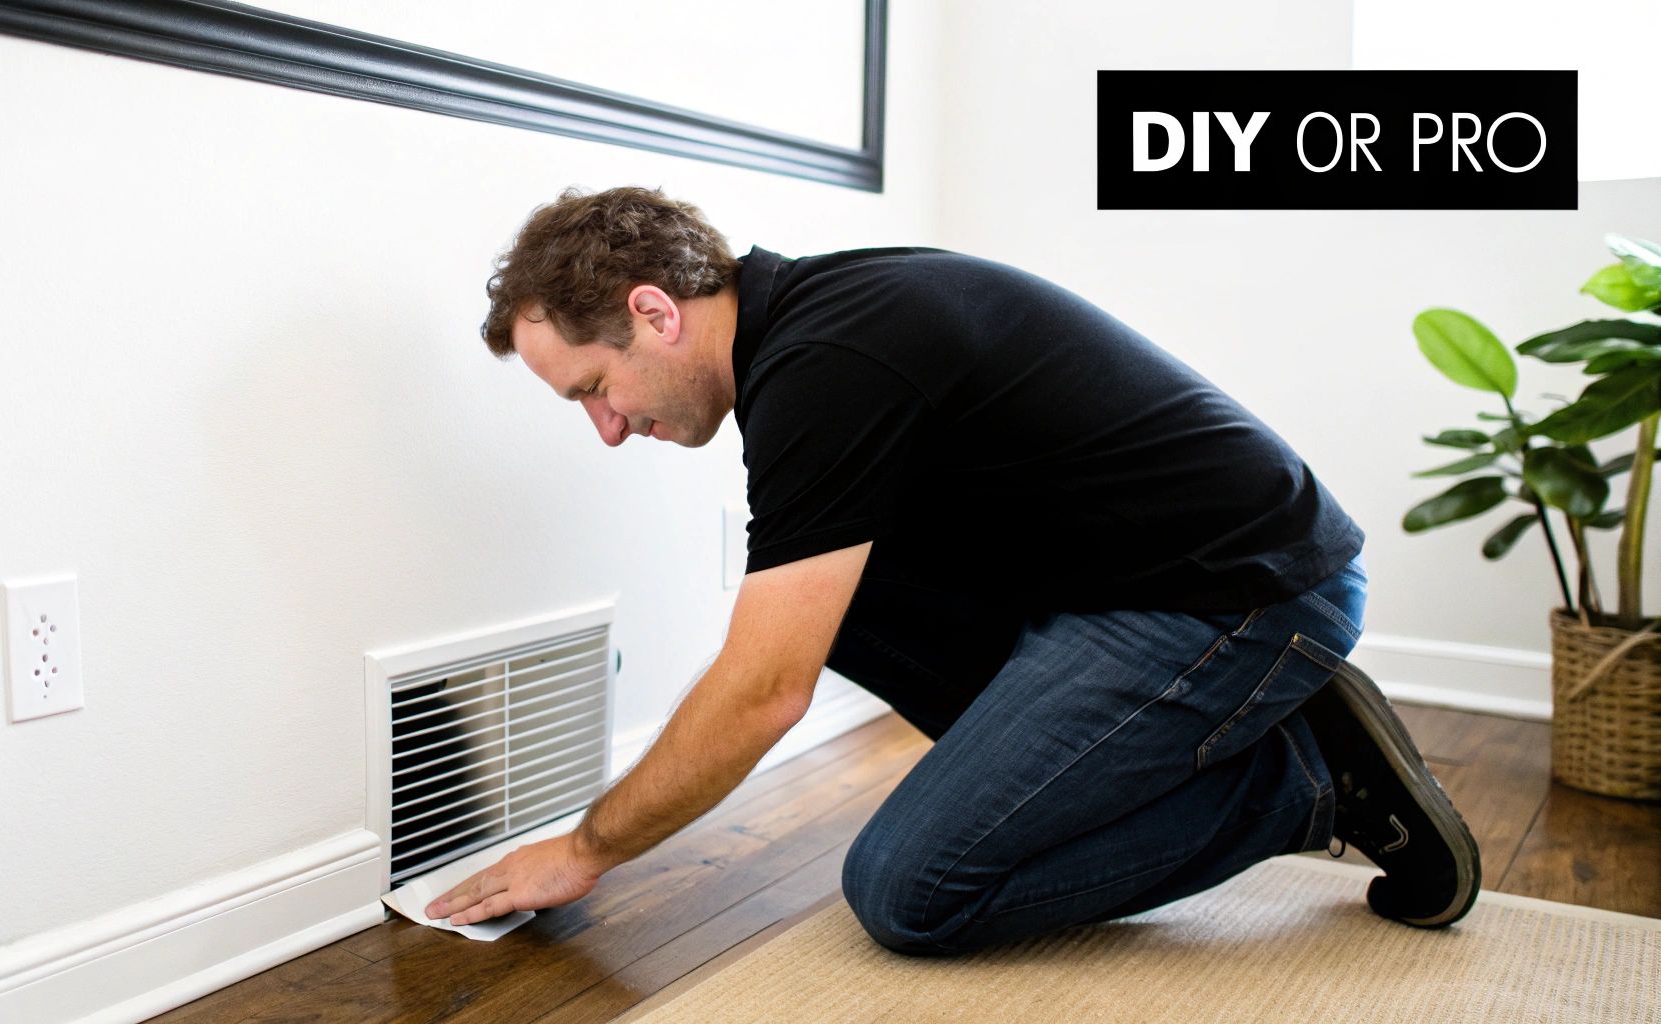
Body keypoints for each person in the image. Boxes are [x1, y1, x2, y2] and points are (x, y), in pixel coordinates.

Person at [423, 185, 1481, 952]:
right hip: (1143, 579)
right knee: (834, 593)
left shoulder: (825, 367)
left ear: (655, 311)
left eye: (594, 389)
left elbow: (760, 695)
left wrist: (586, 847)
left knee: (908, 889)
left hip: (1245, 592)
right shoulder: (815, 326)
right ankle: (1198, 751)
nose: (607, 430)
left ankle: (1306, 786)